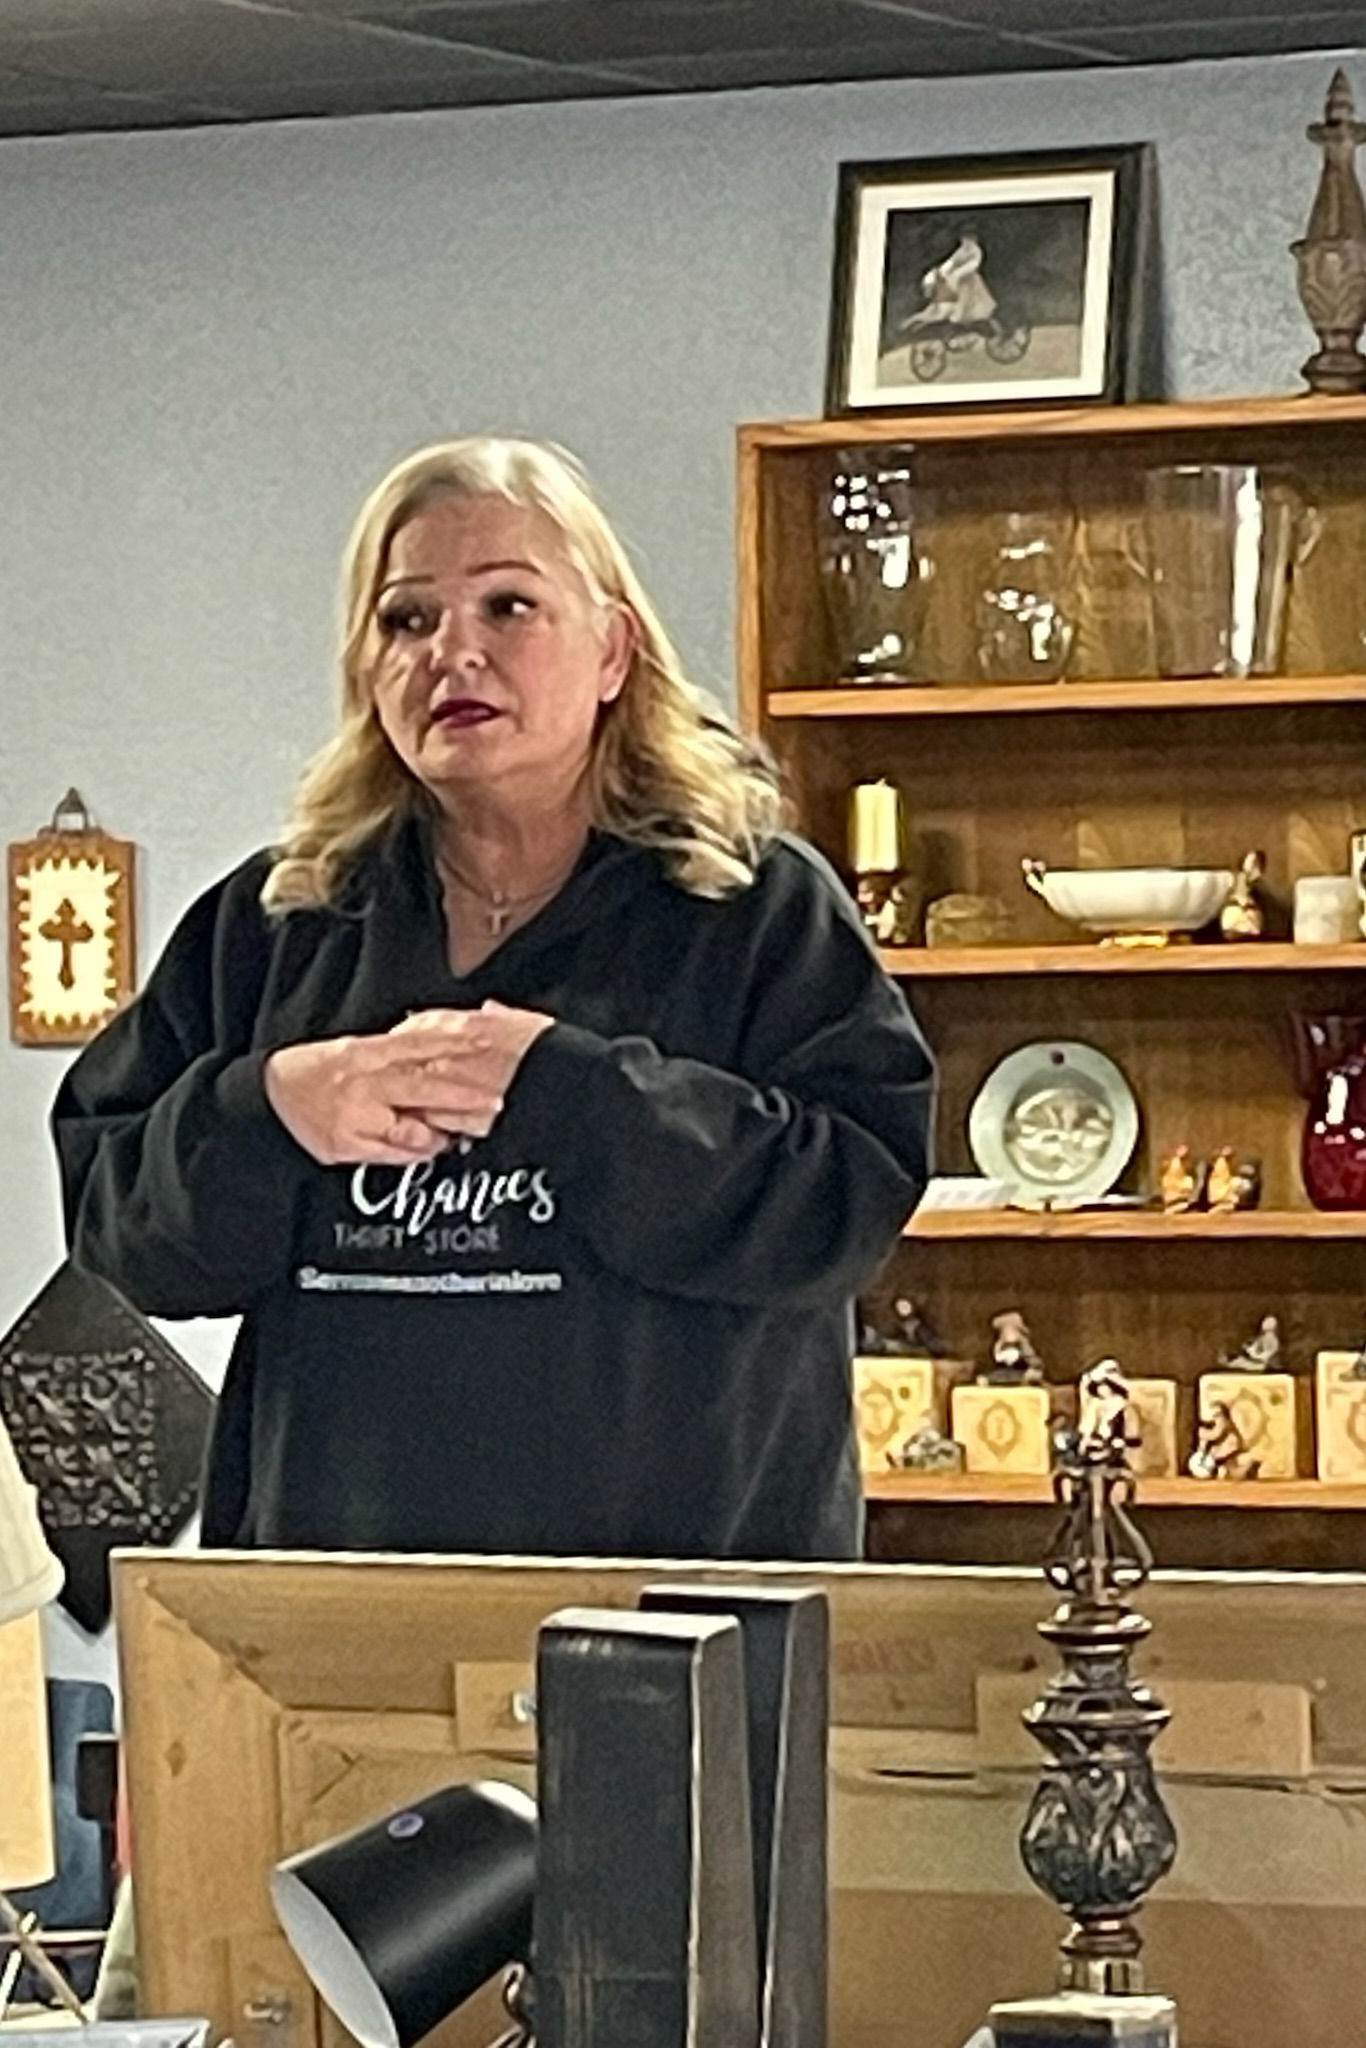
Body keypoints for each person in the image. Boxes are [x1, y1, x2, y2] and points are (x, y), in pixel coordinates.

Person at [52, 436, 935, 1562]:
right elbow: (120, 1227)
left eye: (508, 606)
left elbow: (851, 1201)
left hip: (682, 1607)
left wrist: (578, 1094)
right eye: (406, 619)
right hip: (336, 1609)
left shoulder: (751, 904)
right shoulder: (276, 922)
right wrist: (269, 1110)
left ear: (613, 650)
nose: (452, 653)